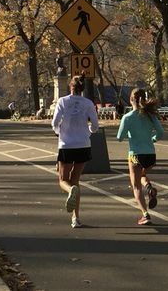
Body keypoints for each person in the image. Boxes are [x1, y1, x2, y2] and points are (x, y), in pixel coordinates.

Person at [51, 75, 99, 229]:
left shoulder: (63, 101)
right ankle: (76, 218)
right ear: (82, 88)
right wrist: (89, 131)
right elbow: (95, 125)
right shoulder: (88, 103)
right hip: (83, 145)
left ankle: (70, 190)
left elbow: (55, 122)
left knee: (63, 180)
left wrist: (59, 132)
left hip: (66, 145)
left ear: (70, 87)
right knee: (76, 180)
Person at [116, 88, 164, 226]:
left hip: (135, 155)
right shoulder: (150, 116)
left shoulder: (128, 117)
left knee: (136, 186)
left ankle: (145, 214)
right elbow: (160, 132)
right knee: (142, 175)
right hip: (150, 155)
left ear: (131, 100)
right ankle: (149, 188)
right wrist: (152, 139)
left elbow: (119, 137)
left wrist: (130, 134)